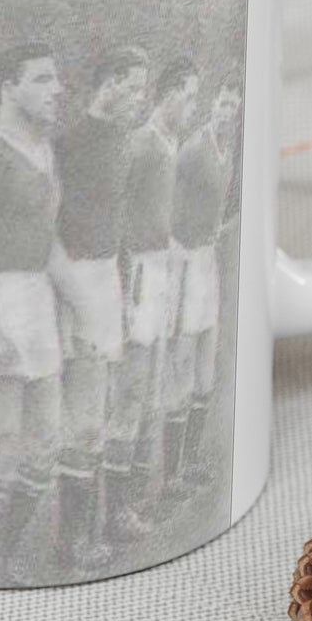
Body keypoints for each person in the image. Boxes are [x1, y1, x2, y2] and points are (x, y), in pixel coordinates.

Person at [0, 42, 65, 584]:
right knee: (1, 445)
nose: (57, 90)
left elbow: (47, 243)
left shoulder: (44, 150)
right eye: (43, 79)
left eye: (57, 80)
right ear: (10, 87)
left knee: (46, 442)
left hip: (37, 302)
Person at [50, 47, 150, 568]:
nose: (139, 99)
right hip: (77, 282)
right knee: (84, 417)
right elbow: (50, 231)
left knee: (120, 404)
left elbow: (123, 220)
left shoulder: (122, 144)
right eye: (133, 88)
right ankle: (72, 541)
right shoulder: (67, 144)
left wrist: (126, 290)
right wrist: (79, 298)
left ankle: (113, 516)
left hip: (112, 277)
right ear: (108, 85)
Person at [113, 61, 198, 501]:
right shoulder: (142, 144)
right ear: (166, 95)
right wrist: (127, 281)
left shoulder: (170, 143)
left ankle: (142, 496)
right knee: (133, 388)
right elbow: (121, 214)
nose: (191, 106)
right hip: (141, 273)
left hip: (165, 270)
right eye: (187, 95)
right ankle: (115, 509)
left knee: (157, 387)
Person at [172, 80, 242, 484]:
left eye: (233, 106)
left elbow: (227, 201)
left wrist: (220, 227)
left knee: (204, 366)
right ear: (212, 106)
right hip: (183, 258)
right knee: (181, 365)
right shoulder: (192, 152)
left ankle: (190, 461)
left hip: (207, 260)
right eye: (222, 103)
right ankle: (172, 473)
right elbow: (172, 205)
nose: (226, 112)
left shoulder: (227, 151)